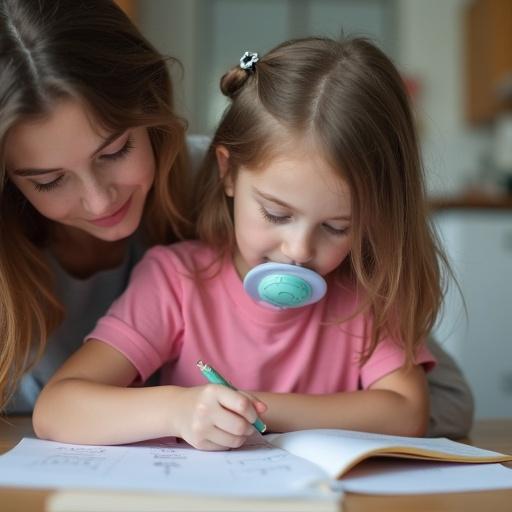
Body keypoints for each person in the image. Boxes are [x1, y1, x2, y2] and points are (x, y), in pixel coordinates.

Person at [33, 36, 473, 450]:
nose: (299, 250)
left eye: (338, 227)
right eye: (276, 215)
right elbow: (57, 408)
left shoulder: (364, 293)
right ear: (227, 172)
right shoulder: (176, 281)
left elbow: (407, 412)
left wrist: (253, 406)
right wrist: (177, 410)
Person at [0, 0, 209, 414]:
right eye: (49, 181)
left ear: (151, 106)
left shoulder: (225, 189)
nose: (99, 201)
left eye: (115, 151)